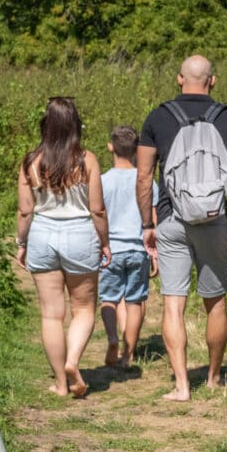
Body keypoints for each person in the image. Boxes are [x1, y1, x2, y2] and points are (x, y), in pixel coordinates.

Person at [136, 55, 227, 401]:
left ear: (179, 79)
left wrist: (147, 224)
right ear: (212, 81)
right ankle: (214, 378)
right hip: (214, 219)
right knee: (215, 302)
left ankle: (181, 385)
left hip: (171, 219)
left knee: (173, 304)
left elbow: (144, 177)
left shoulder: (158, 117)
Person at [16, 96, 110, 398]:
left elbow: (25, 210)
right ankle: (73, 361)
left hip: (43, 234)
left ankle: (60, 383)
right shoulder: (86, 159)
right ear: (75, 125)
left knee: (50, 314)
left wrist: (21, 243)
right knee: (83, 308)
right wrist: (105, 243)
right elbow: (97, 209)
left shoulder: (31, 162)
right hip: (80, 234)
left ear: (46, 123)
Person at [98, 124, 154, 371]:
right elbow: (153, 216)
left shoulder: (102, 181)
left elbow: (97, 214)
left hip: (110, 249)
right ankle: (127, 354)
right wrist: (155, 252)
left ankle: (113, 338)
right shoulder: (145, 180)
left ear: (110, 147)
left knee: (108, 299)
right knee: (135, 302)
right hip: (138, 249)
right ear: (136, 150)